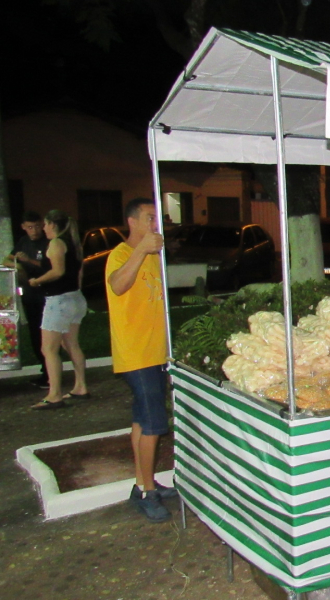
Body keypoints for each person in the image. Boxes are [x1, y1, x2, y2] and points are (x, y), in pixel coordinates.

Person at [106, 198, 177, 522]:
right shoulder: (121, 254)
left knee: (140, 420)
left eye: (157, 219)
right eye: (149, 218)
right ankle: (148, 492)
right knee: (153, 425)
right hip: (136, 355)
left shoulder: (152, 257)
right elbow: (118, 285)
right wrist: (140, 251)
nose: (155, 225)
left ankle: (141, 484)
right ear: (132, 221)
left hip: (154, 353)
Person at [27, 210, 88, 409]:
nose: (43, 228)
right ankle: (80, 386)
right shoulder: (73, 243)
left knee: (48, 349)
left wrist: (37, 281)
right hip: (75, 298)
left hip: (59, 300)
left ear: (53, 224)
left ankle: (54, 394)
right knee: (71, 344)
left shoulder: (56, 244)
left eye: (44, 224)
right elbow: (77, 274)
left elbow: (57, 271)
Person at [3, 212, 50, 388]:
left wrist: (28, 260)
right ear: (23, 227)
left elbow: (50, 266)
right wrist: (20, 266)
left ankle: (50, 373)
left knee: (47, 334)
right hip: (29, 295)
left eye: (37, 226)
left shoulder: (48, 242)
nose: (34, 230)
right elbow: (8, 259)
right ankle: (44, 370)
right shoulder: (23, 241)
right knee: (34, 333)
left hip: (45, 294)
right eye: (30, 227)